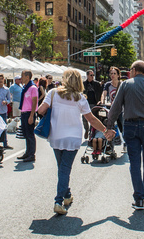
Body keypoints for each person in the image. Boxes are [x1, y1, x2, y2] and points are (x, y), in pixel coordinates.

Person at [39, 68, 115, 214]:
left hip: (56, 136)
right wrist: (105, 131)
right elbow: (91, 119)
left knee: (62, 167)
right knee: (65, 168)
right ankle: (59, 200)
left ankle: (66, 195)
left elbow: (41, 110)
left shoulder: (53, 93)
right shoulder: (80, 98)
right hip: (73, 137)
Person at [108, 60, 144, 211]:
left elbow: (116, 107)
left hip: (130, 126)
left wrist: (108, 125)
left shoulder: (126, 84)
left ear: (133, 70)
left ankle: (138, 199)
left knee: (134, 162)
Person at [17, 70, 39, 163]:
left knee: (30, 134)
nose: (21, 78)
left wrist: (31, 115)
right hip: (24, 112)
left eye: (22, 76)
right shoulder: (25, 87)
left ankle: (31, 154)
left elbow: (34, 102)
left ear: (27, 77)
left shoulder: (32, 88)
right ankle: (27, 152)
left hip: (29, 113)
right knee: (26, 134)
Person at [83, 69, 103, 138]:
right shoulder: (84, 84)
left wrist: (100, 101)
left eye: (93, 75)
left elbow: (100, 93)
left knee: (93, 118)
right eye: (91, 75)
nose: (92, 76)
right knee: (84, 119)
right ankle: (86, 129)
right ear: (87, 76)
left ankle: (91, 132)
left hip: (94, 103)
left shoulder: (96, 84)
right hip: (85, 103)